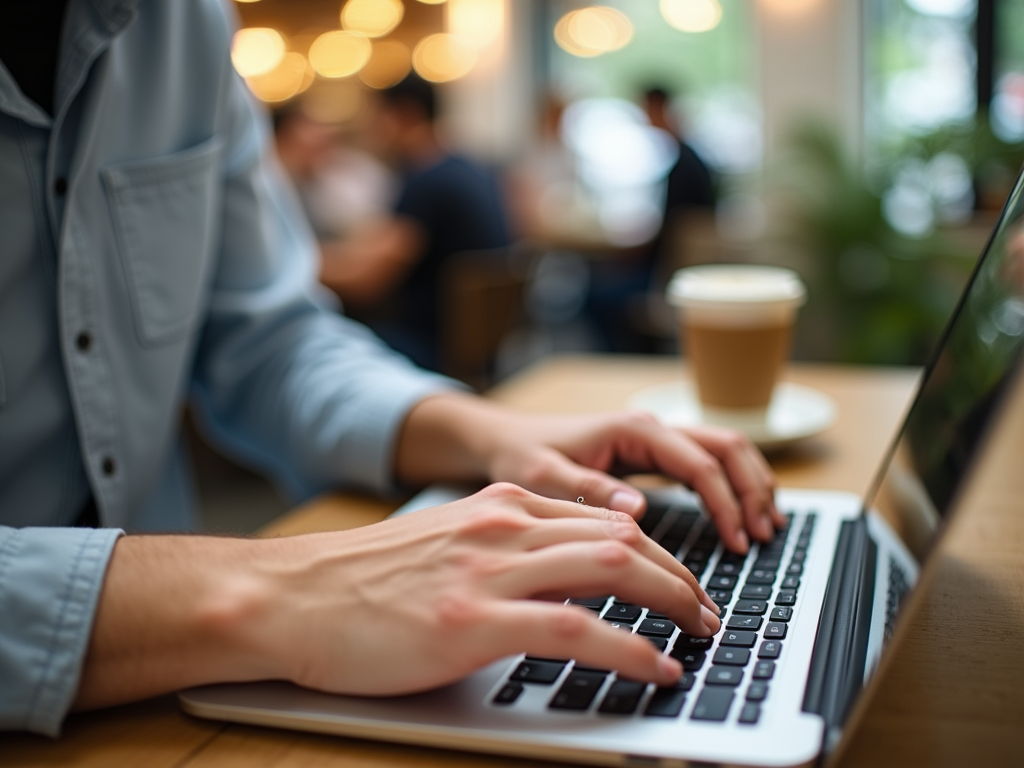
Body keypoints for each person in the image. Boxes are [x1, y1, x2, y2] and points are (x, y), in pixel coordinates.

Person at [0, 0, 778, 736]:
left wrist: (495, 435)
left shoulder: (189, 25)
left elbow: (269, 341)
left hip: (165, 702)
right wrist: (283, 587)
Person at [318, 74, 512, 371]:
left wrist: (298, 261)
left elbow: (367, 282)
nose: (372, 131)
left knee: (317, 342)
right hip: (476, 349)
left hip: (434, 347)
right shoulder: (467, 168)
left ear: (405, 115)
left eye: (377, 119)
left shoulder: (428, 181)